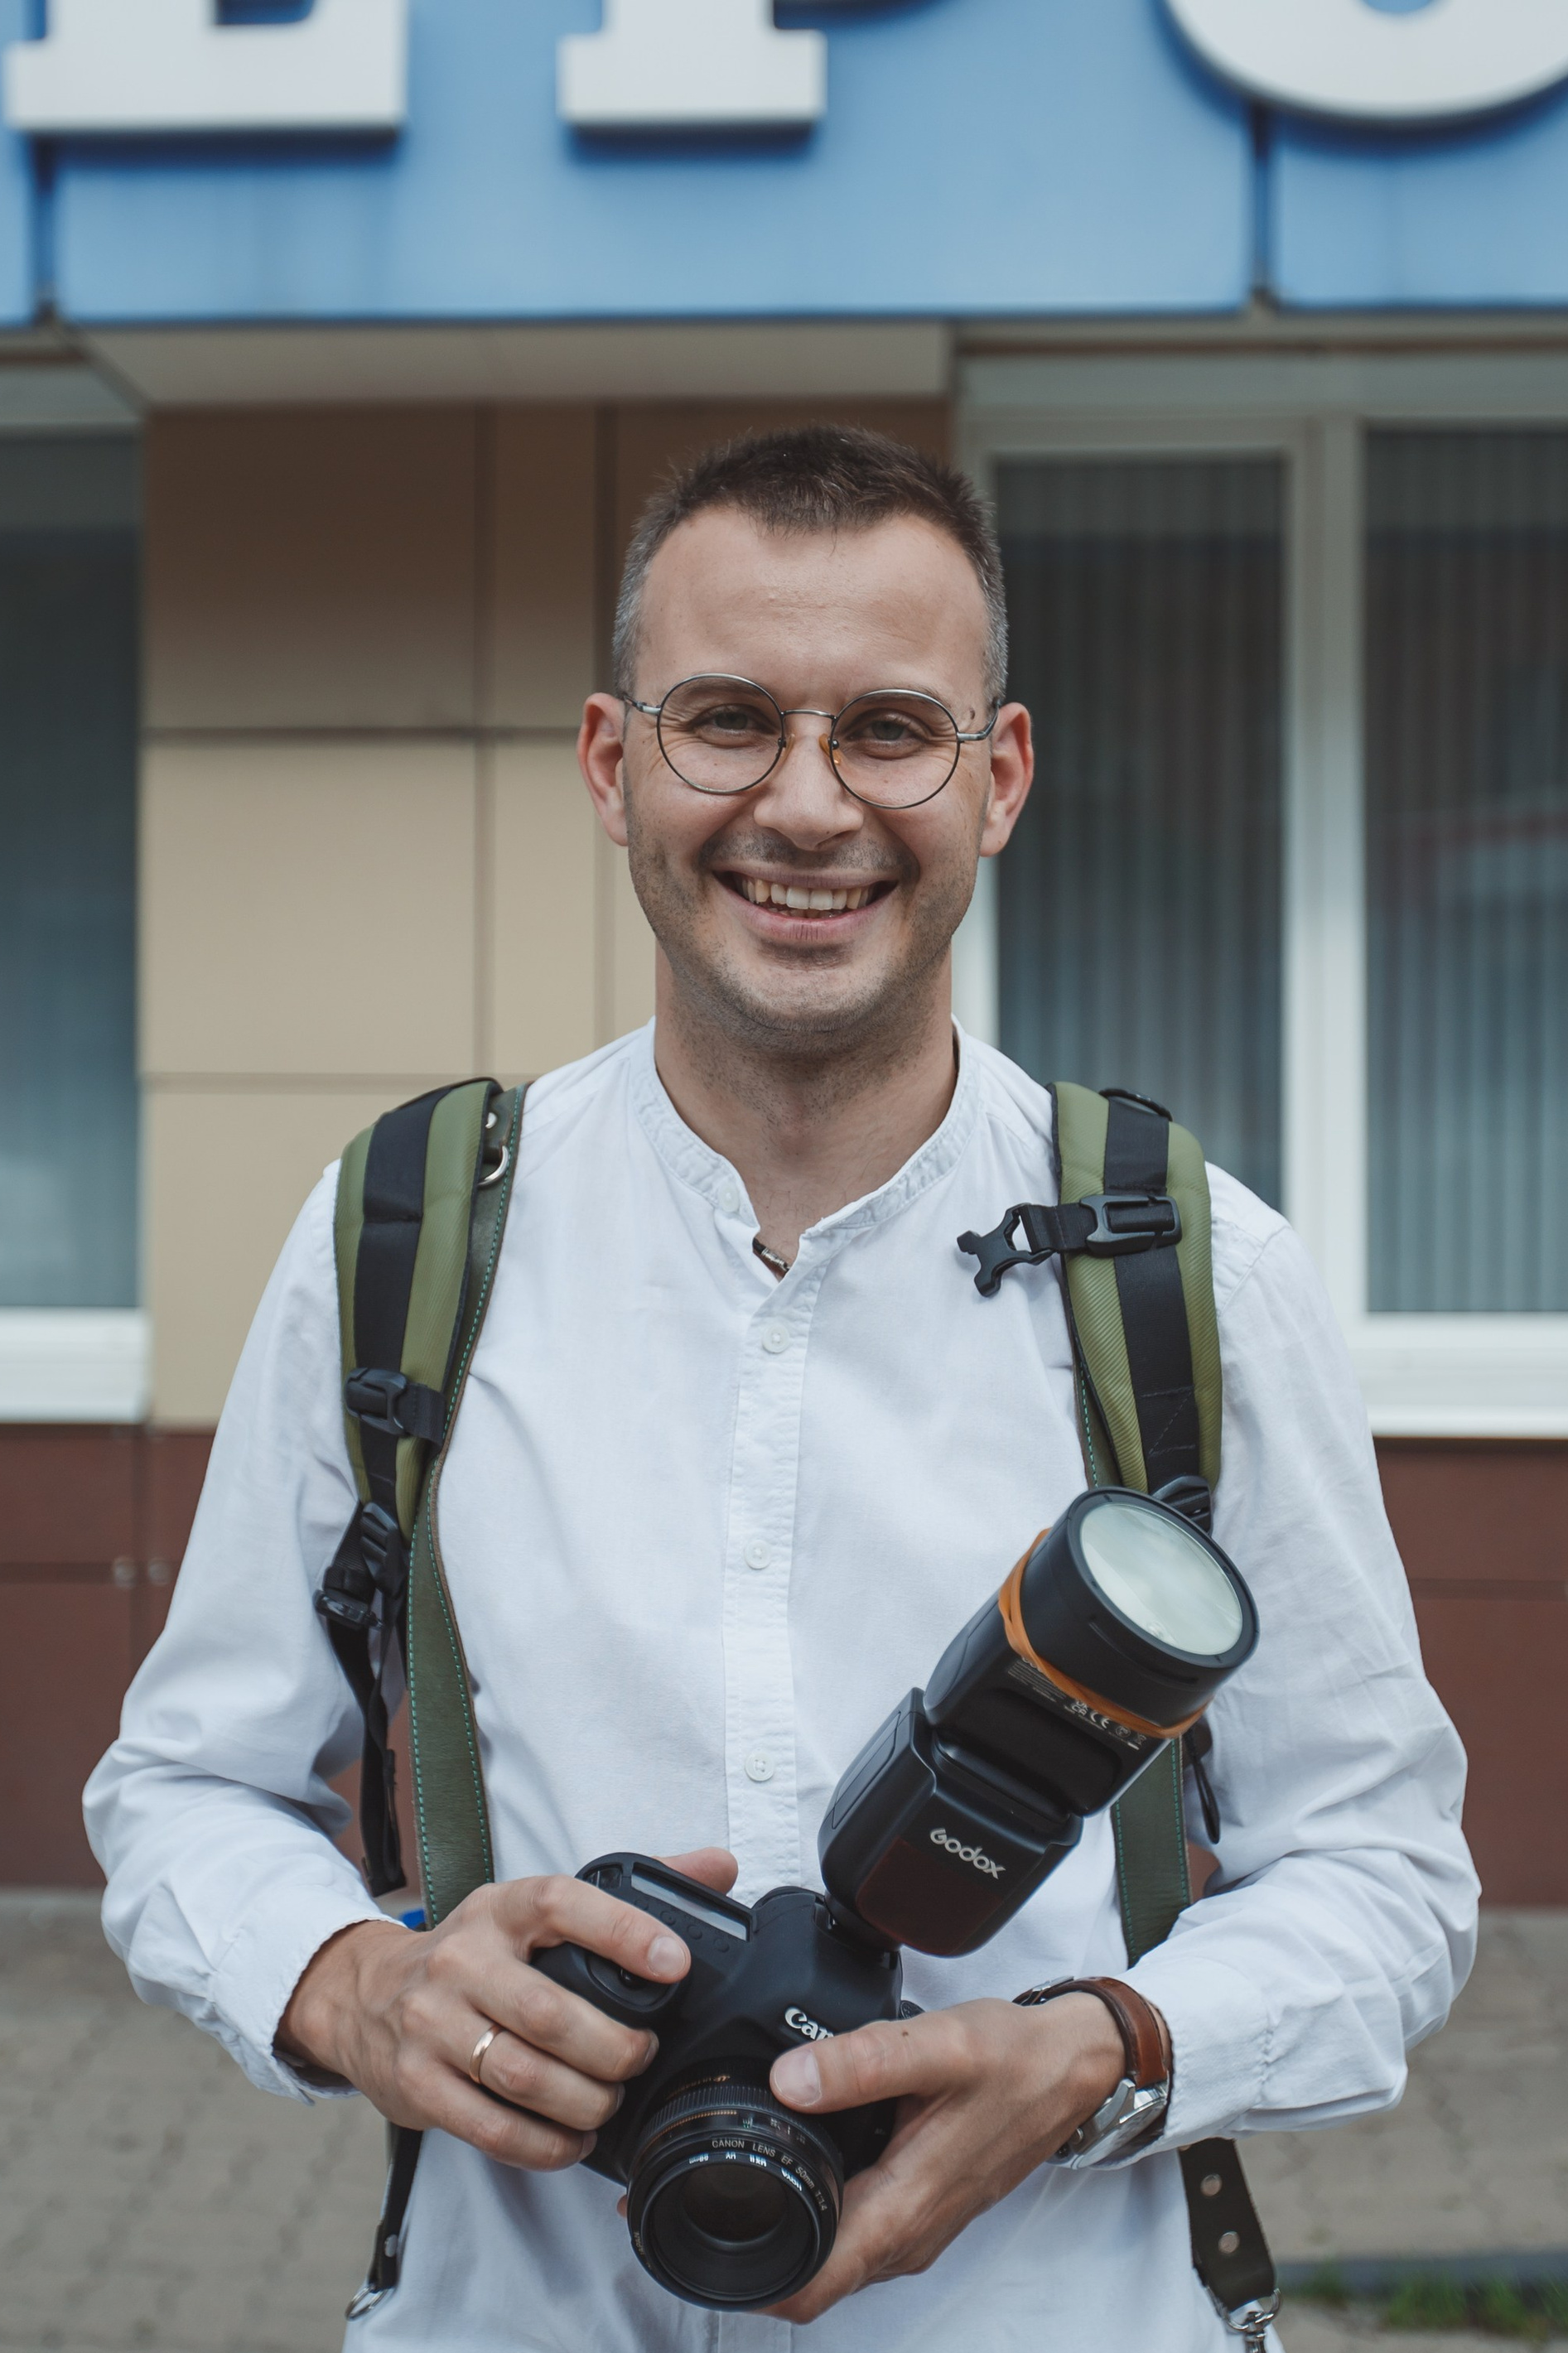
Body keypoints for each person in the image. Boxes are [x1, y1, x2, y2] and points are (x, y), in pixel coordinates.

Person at [87, 425, 1478, 2351]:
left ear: (994, 777)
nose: (805, 805)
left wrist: (1105, 2045)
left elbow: (1384, 1868)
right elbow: (187, 1784)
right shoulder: (406, 1239)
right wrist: (344, 1981)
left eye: (888, 729)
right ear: (611, 761)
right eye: (726, 719)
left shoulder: (1189, 1267)